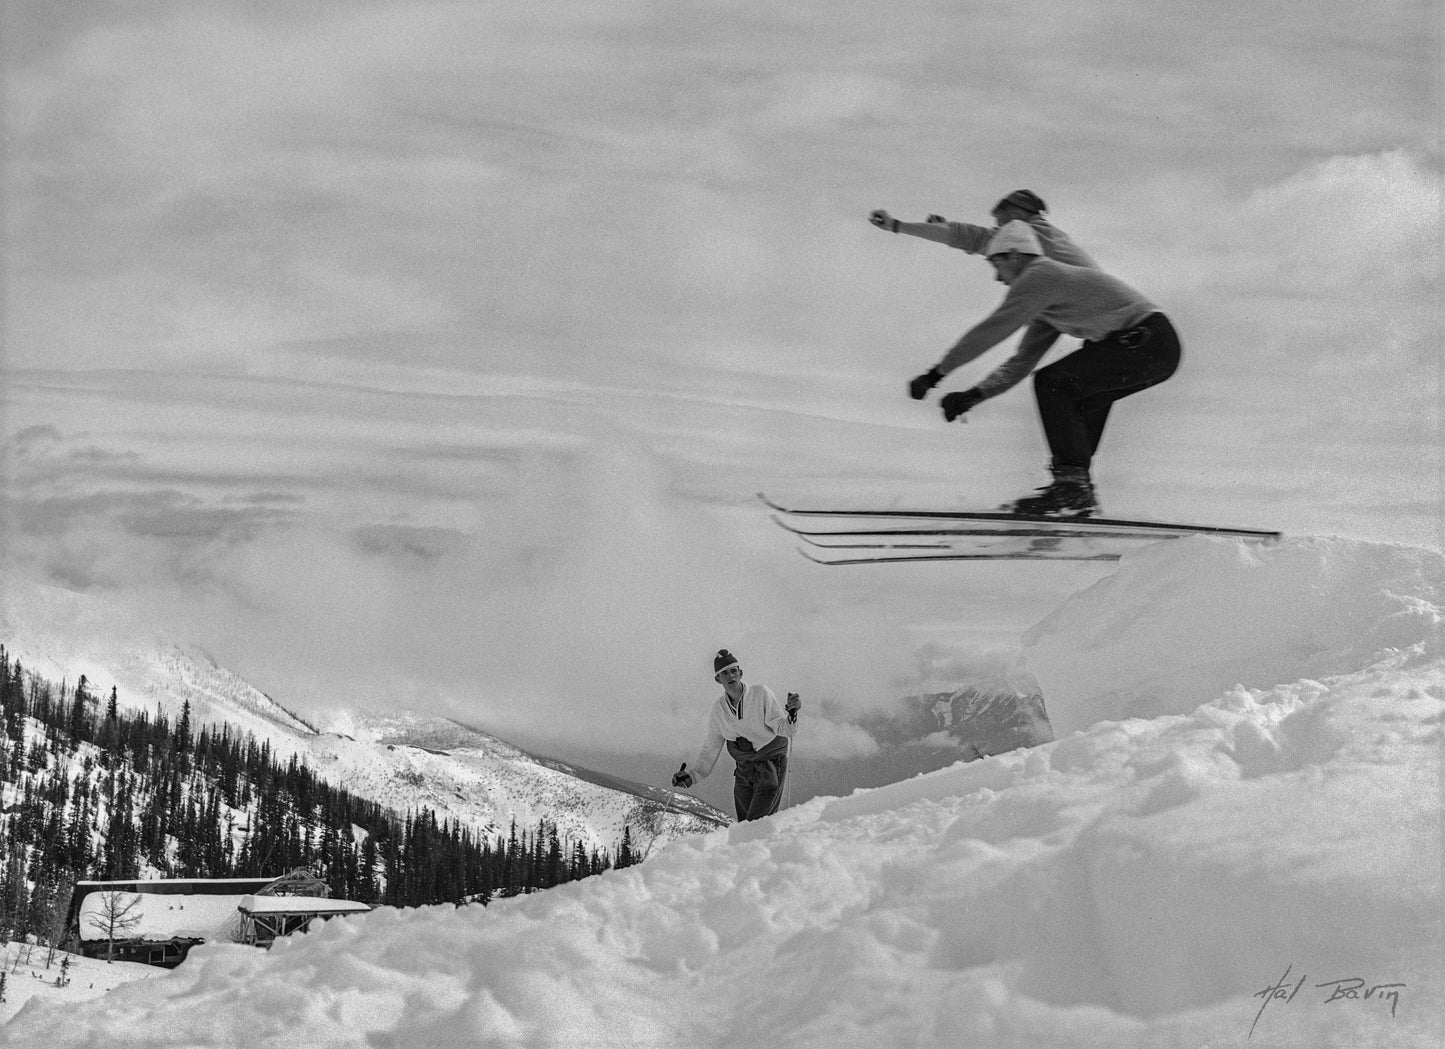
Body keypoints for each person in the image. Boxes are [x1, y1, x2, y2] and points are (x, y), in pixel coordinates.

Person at [900, 220, 1181, 517]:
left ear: (1014, 255)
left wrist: (935, 374)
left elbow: (991, 331)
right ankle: (1076, 493)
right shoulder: (1048, 300)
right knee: (1076, 400)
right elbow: (1021, 362)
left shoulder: (1039, 275)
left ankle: (1072, 490)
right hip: (1153, 349)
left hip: (1146, 342)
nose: (997, 277)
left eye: (996, 264)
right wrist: (975, 395)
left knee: (1053, 383)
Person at [672, 650, 801, 822]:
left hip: (770, 765)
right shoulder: (719, 710)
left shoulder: (761, 693)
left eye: (733, 671)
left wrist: (792, 713)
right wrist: (692, 776)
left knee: (756, 824)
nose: (730, 675)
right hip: (744, 770)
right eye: (724, 673)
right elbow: (711, 747)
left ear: (741, 673)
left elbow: (784, 729)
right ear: (718, 679)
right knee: (744, 825)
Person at [869, 188, 1097, 269]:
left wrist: (896, 225)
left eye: (1001, 224)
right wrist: (943, 228)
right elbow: (980, 243)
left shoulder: (1031, 233)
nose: (1001, 231)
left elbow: (972, 238)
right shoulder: (1050, 237)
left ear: (1017, 214)